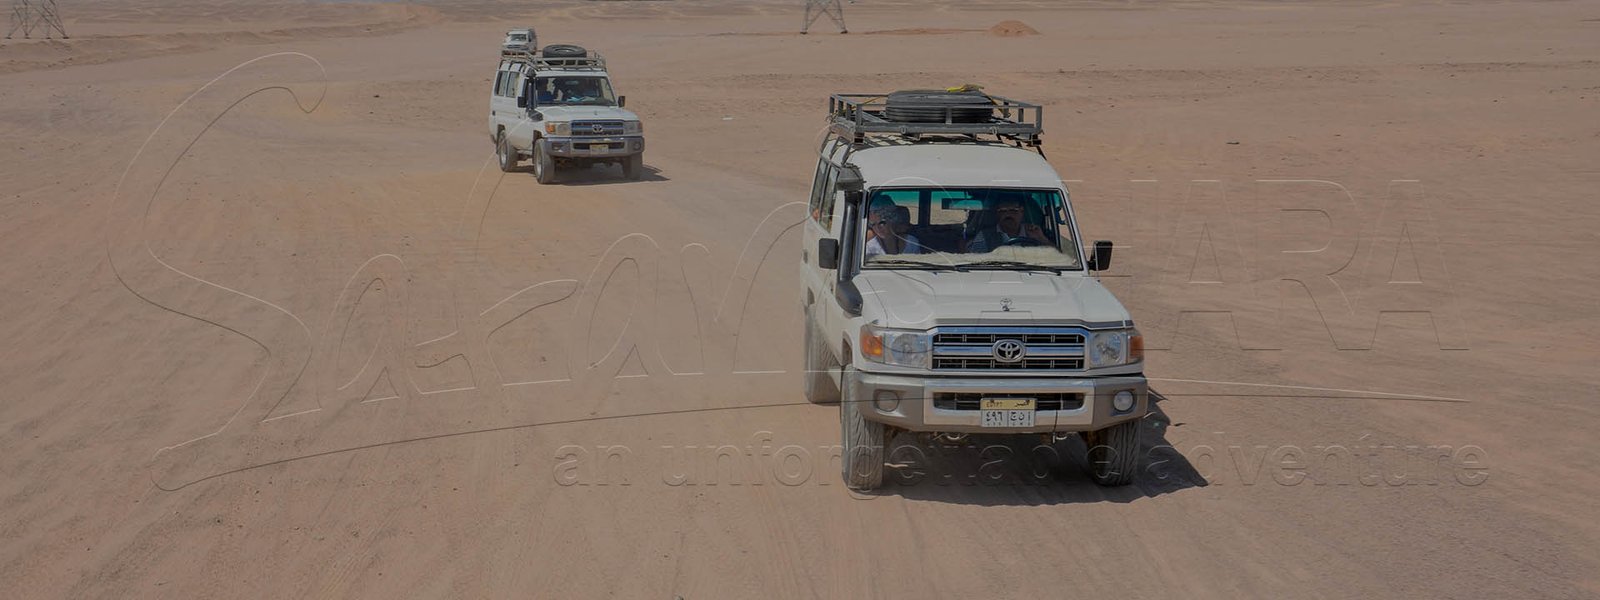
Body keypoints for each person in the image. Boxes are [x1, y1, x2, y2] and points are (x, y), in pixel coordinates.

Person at [965, 195, 1050, 253]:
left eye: (1014, 210)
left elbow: (1057, 259)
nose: (1008, 214)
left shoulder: (1034, 232)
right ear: (997, 214)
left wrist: (1042, 239)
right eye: (1003, 211)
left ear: (1022, 212)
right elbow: (975, 262)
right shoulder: (984, 236)